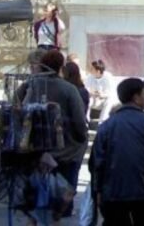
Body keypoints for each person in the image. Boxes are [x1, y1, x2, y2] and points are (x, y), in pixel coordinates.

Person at [90, 77, 144, 226]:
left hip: (113, 192)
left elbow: (97, 161)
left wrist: (98, 190)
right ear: (136, 97)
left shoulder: (107, 126)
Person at [16, 49, 89, 218]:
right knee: (63, 194)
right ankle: (60, 214)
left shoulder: (32, 85)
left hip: (38, 148)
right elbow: (79, 120)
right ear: (60, 67)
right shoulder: (69, 89)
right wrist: (81, 137)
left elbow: (21, 109)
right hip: (66, 150)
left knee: (38, 196)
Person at [85, 59, 113, 123]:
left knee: (109, 101)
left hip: (103, 99)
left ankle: (102, 122)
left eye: (92, 69)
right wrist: (91, 93)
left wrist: (102, 95)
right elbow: (86, 89)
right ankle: (86, 120)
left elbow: (110, 92)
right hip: (93, 98)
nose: (90, 70)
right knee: (86, 99)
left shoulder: (108, 77)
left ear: (98, 71)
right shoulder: (90, 76)